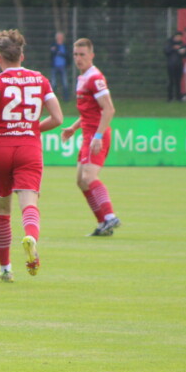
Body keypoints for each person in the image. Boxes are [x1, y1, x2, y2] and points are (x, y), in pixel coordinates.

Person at [0, 29, 63, 283]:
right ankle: (31, 237)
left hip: (1, 147)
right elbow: (58, 118)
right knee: (29, 204)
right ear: (22, 55)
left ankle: (5, 268)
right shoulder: (40, 79)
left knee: (2, 209)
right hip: (29, 148)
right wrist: (31, 127)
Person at [60, 38, 122, 237]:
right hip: (88, 133)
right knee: (81, 180)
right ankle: (103, 223)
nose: (78, 58)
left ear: (91, 55)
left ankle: (110, 216)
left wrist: (98, 136)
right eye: (76, 55)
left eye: (82, 55)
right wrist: (73, 127)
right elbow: (90, 111)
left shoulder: (95, 78)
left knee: (89, 177)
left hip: (96, 135)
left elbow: (109, 109)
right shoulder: (83, 78)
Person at [163, 31, 186, 102]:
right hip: (171, 65)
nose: (179, 38)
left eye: (180, 37)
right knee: (171, 81)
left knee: (178, 81)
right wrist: (174, 48)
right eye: (178, 36)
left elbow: (185, 54)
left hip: (179, 64)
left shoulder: (182, 44)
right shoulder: (169, 43)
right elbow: (166, 51)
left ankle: (178, 97)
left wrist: (183, 52)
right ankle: (170, 97)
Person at [49, 31, 70, 100]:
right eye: (58, 37)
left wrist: (60, 53)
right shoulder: (53, 45)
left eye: (61, 37)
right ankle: (52, 98)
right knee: (53, 83)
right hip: (54, 66)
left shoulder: (65, 46)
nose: (59, 38)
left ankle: (66, 98)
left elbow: (67, 55)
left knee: (65, 82)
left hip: (63, 66)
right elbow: (51, 55)